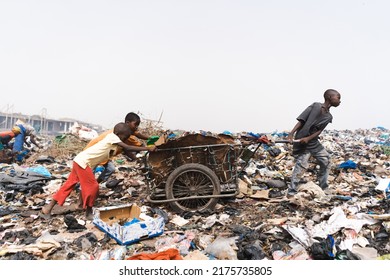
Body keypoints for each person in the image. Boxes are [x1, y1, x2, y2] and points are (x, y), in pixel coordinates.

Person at [41, 122, 156, 220]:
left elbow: (126, 151)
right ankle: (88, 212)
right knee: (93, 187)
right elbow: (128, 147)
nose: (125, 139)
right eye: (124, 137)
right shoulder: (113, 137)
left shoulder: (114, 140)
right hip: (84, 163)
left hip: (79, 160)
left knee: (69, 185)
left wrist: (137, 159)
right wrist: (147, 148)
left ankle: (48, 208)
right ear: (119, 135)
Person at [287, 89, 341, 195]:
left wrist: (308, 138)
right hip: (301, 141)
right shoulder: (315, 106)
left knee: (326, 160)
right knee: (301, 165)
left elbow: (319, 131)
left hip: (313, 142)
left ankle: (323, 186)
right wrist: (291, 134)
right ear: (330, 97)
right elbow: (302, 120)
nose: (340, 101)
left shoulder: (329, 116)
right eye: (338, 97)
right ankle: (292, 190)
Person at [84, 112, 153, 184]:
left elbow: (138, 135)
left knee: (110, 169)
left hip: (104, 155)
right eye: (135, 124)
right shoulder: (123, 134)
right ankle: (85, 188)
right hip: (93, 154)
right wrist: (148, 149)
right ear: (127, 123)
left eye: (137, 125)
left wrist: (151, 138)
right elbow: (129, 148)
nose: (136, 127)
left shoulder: (125, 131)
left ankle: (95, 184)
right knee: (88, 177)